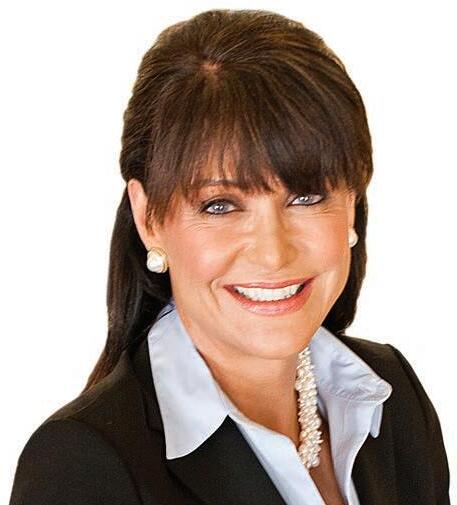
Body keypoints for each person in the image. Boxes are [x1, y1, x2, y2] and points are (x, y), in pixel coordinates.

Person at [8, 8, 450, 505]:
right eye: (220, 205)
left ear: (352, 202)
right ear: (149, 218)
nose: (273, 253)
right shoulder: (82, 466)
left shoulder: (390, 397)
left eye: (305, 197)